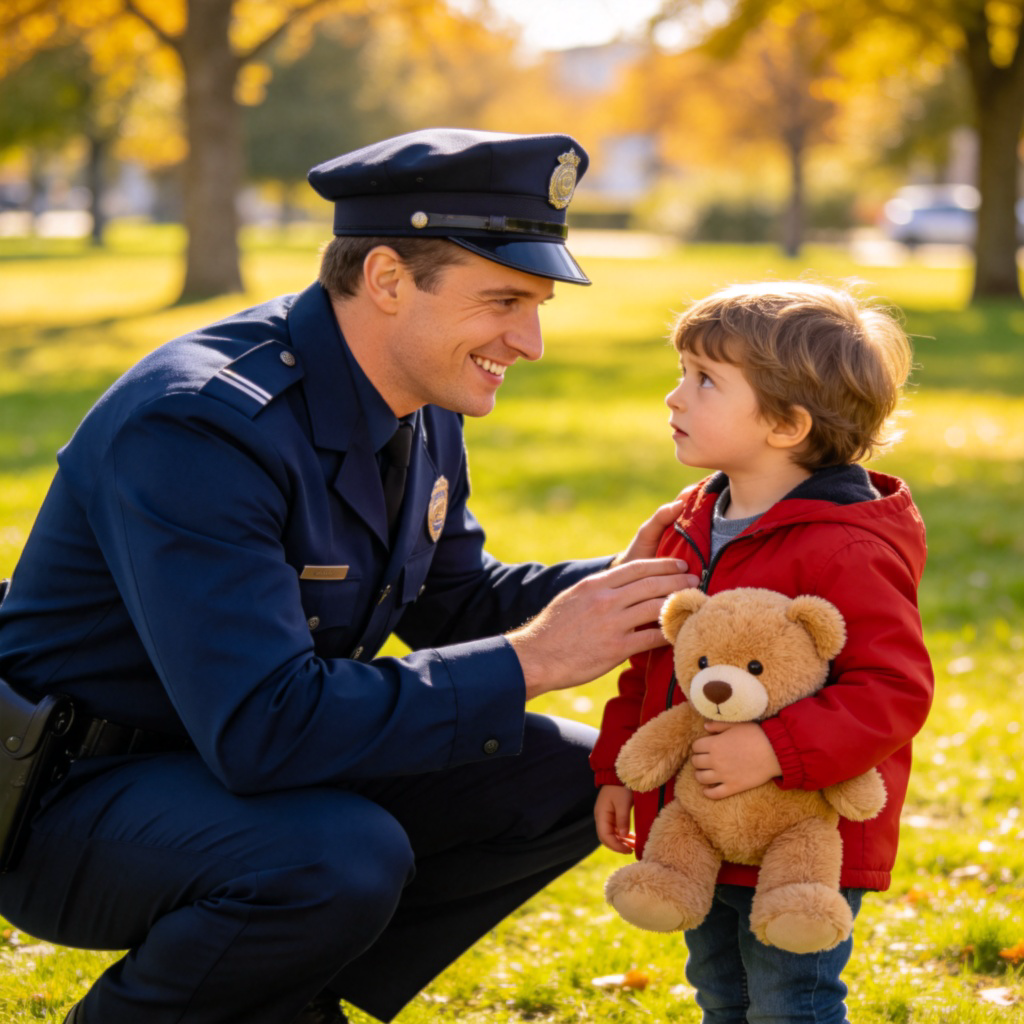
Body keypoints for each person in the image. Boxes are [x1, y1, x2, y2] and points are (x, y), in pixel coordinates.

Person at [0, 129, 698, 1024]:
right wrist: (533, 660)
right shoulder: (200, 426)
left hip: (233, 771)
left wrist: (661, 578)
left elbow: (459, 602)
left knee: (556, 776)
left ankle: (281, 990)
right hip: (71, 801)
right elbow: (264, 725)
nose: (528, 342)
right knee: (335, 859)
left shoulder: (418, 396)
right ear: (387, 280)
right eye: (503, 302)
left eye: (538, 307)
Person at [590, 281, 934, 1024]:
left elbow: (893, 688)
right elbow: (656, 661)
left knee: (790, 999)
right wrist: (616, 766)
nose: (674, 398)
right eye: (681, 373)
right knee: (721, 992)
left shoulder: (846, 546)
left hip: (803, 837)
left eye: (704, 380)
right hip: (701, 822)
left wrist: (777, 748)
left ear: (785, 423)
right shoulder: (692, 520)